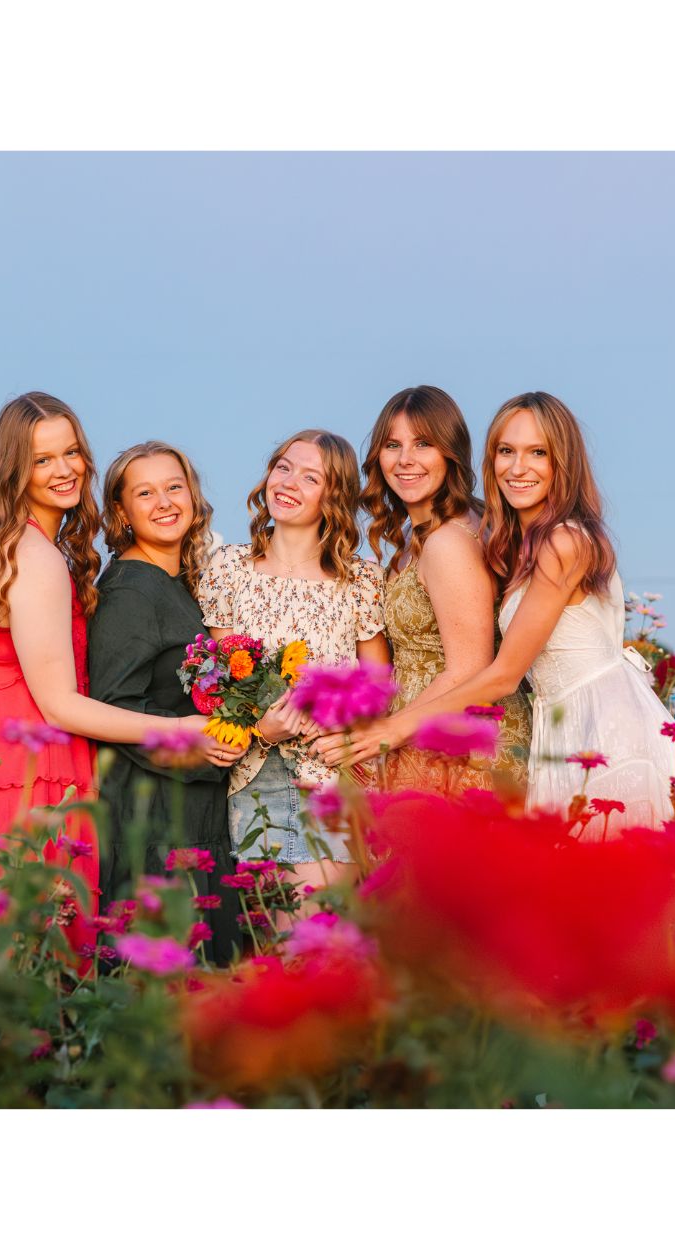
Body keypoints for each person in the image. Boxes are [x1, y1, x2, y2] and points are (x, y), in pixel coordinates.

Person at [0, 392, 216, 965]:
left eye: (72, 453)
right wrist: (181, 730)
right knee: (38, 961)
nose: (64, 470)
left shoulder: (7, 544)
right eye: (43, 459)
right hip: (31, 778)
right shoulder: (36, 559)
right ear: (15, 468)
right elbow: (60, 704)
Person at [317, 391, 675, 832]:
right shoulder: (517, 540)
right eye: (506, 452)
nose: (517, 467)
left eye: (538, 453)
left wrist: (391, 731)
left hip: (601, 726)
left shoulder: (562, 541)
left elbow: (499, 673)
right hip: (559, 721)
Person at [195, 429, 388, 890]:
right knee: (270, 945)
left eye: (310, 477)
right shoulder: (228, 567)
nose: (288, 483)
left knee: (324, 936)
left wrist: (340, 721)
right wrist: (264, 727)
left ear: (333, 496)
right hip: (254, 777)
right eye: (283, 467)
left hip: (333, 777)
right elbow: (221, 686)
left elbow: (377, 686)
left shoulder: (360, 579)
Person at [88, 441, 245, 964]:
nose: (164, 502)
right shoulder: (131, 590)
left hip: (188, 804)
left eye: (174, 487)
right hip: (152, 812)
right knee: (163, 980)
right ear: (120, 511)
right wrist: (194, 737)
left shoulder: (174, 581)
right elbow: (112, 704)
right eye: (145, 492)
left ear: (193, 496)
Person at [352, 385, 531, 794]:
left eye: (423, 444)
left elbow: (470, 666)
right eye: (392, 445)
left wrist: (386, 735)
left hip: (456, 746)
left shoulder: (449, 540)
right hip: (427, 736)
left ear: (450, 453)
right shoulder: (424, 536)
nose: (405, 460)